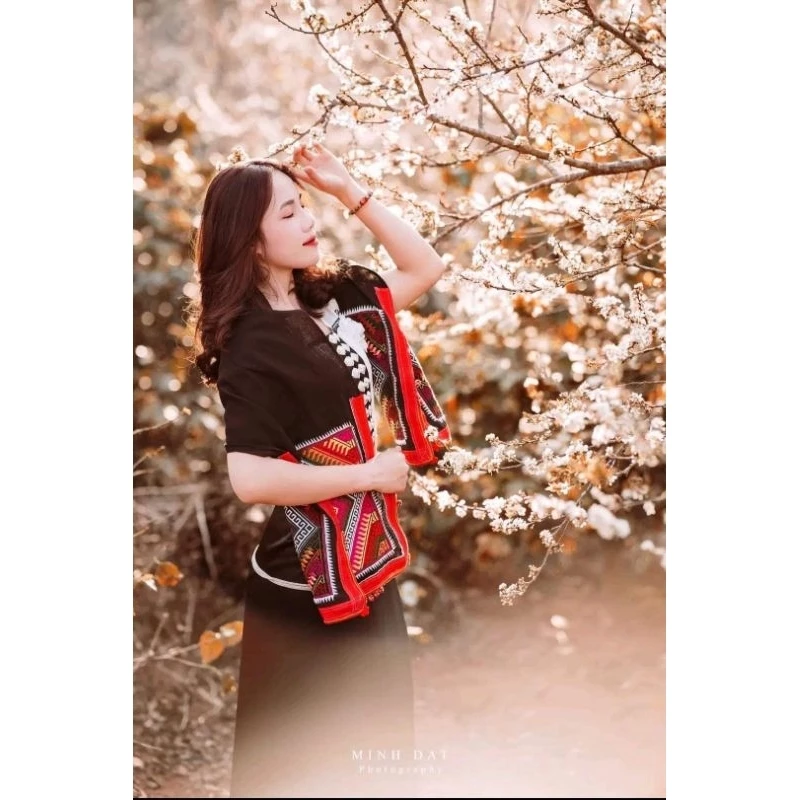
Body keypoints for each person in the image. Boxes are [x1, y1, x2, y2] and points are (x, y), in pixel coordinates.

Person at [189, 141, 452, 797]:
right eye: (288, 214)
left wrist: (348, 190)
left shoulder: (332, 298)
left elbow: (425, 266)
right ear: (249, 241)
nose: (307, 222)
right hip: (304, 579)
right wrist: (366, 475)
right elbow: (251, 479)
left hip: (368, 557)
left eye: (304, 207)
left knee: (380, 743)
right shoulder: (250, 344)